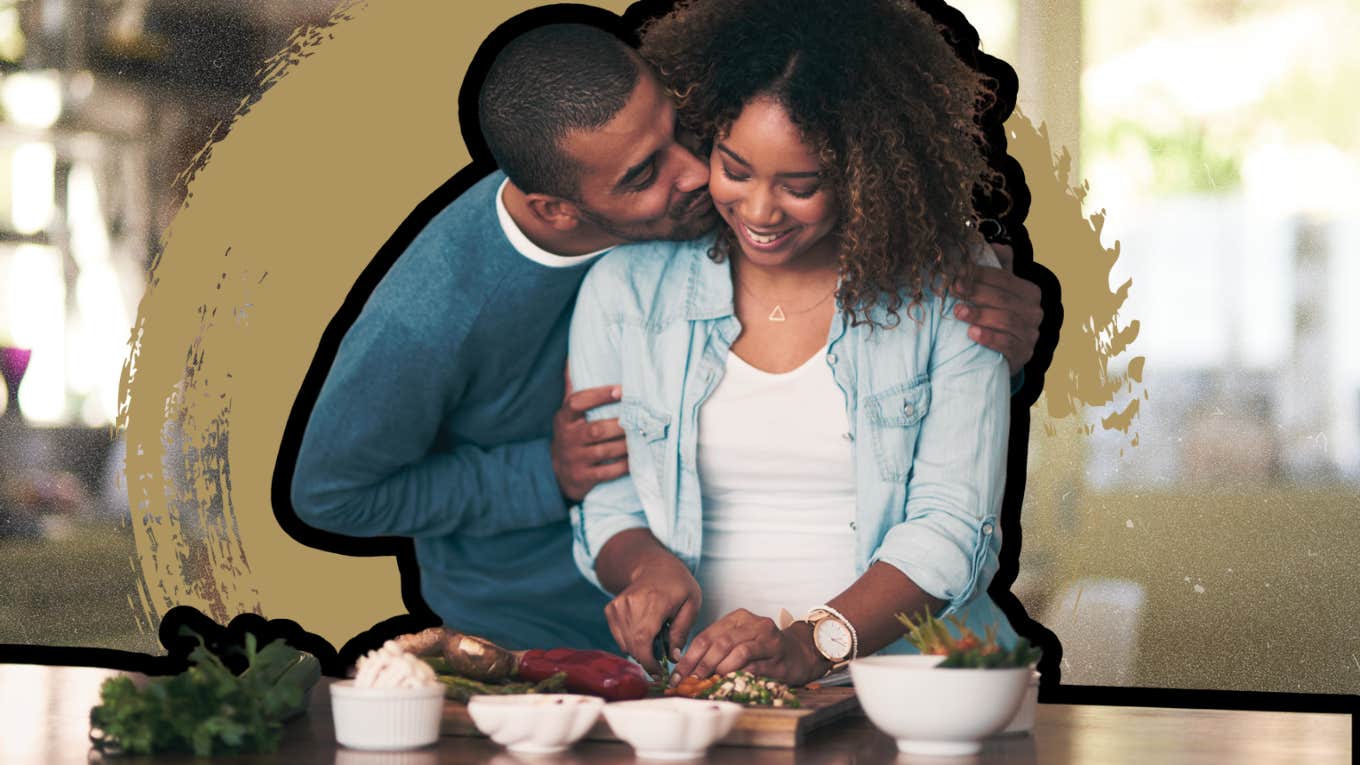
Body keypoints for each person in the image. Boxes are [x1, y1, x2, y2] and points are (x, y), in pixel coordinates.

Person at [289, 19, 1040, 654]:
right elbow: (333, 495)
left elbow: (838, 176)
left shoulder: (708, 195)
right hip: (536, 631)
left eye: (683, 127)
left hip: (759, 654)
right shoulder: (435, 313)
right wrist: (545, 474)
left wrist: (986, 326)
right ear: (558, 211)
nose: (696, 175)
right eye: (647, 171)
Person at [567, 0, 1022, 685]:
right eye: (735, 168)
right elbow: (609, 500)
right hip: (705, 699)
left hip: (912, 694)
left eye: (801, 185)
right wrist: (645, 567)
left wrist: (810, 645)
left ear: (867, 172)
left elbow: (953, 528)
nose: (758, 211)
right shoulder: (625, 291)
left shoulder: (951, 284)